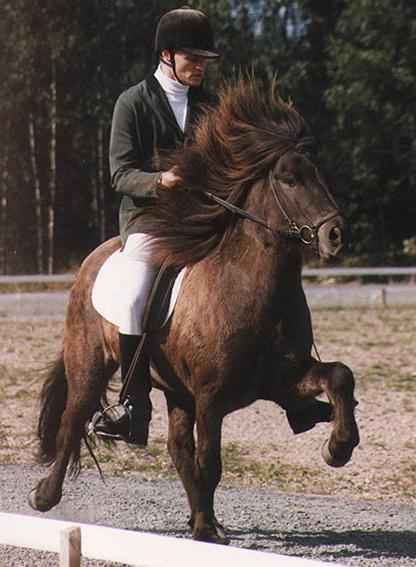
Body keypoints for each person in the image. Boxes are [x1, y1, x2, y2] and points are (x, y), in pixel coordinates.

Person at [91, 6, 220, 446]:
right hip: (150, 219)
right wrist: (160, 181)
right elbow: (120, 174)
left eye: (204, 59)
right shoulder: (132, 103)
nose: (200, 66)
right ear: (167, 54)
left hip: (203, 217)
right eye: (192, 58)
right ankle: (134, 405)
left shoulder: (210, 106)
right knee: (134, 297)